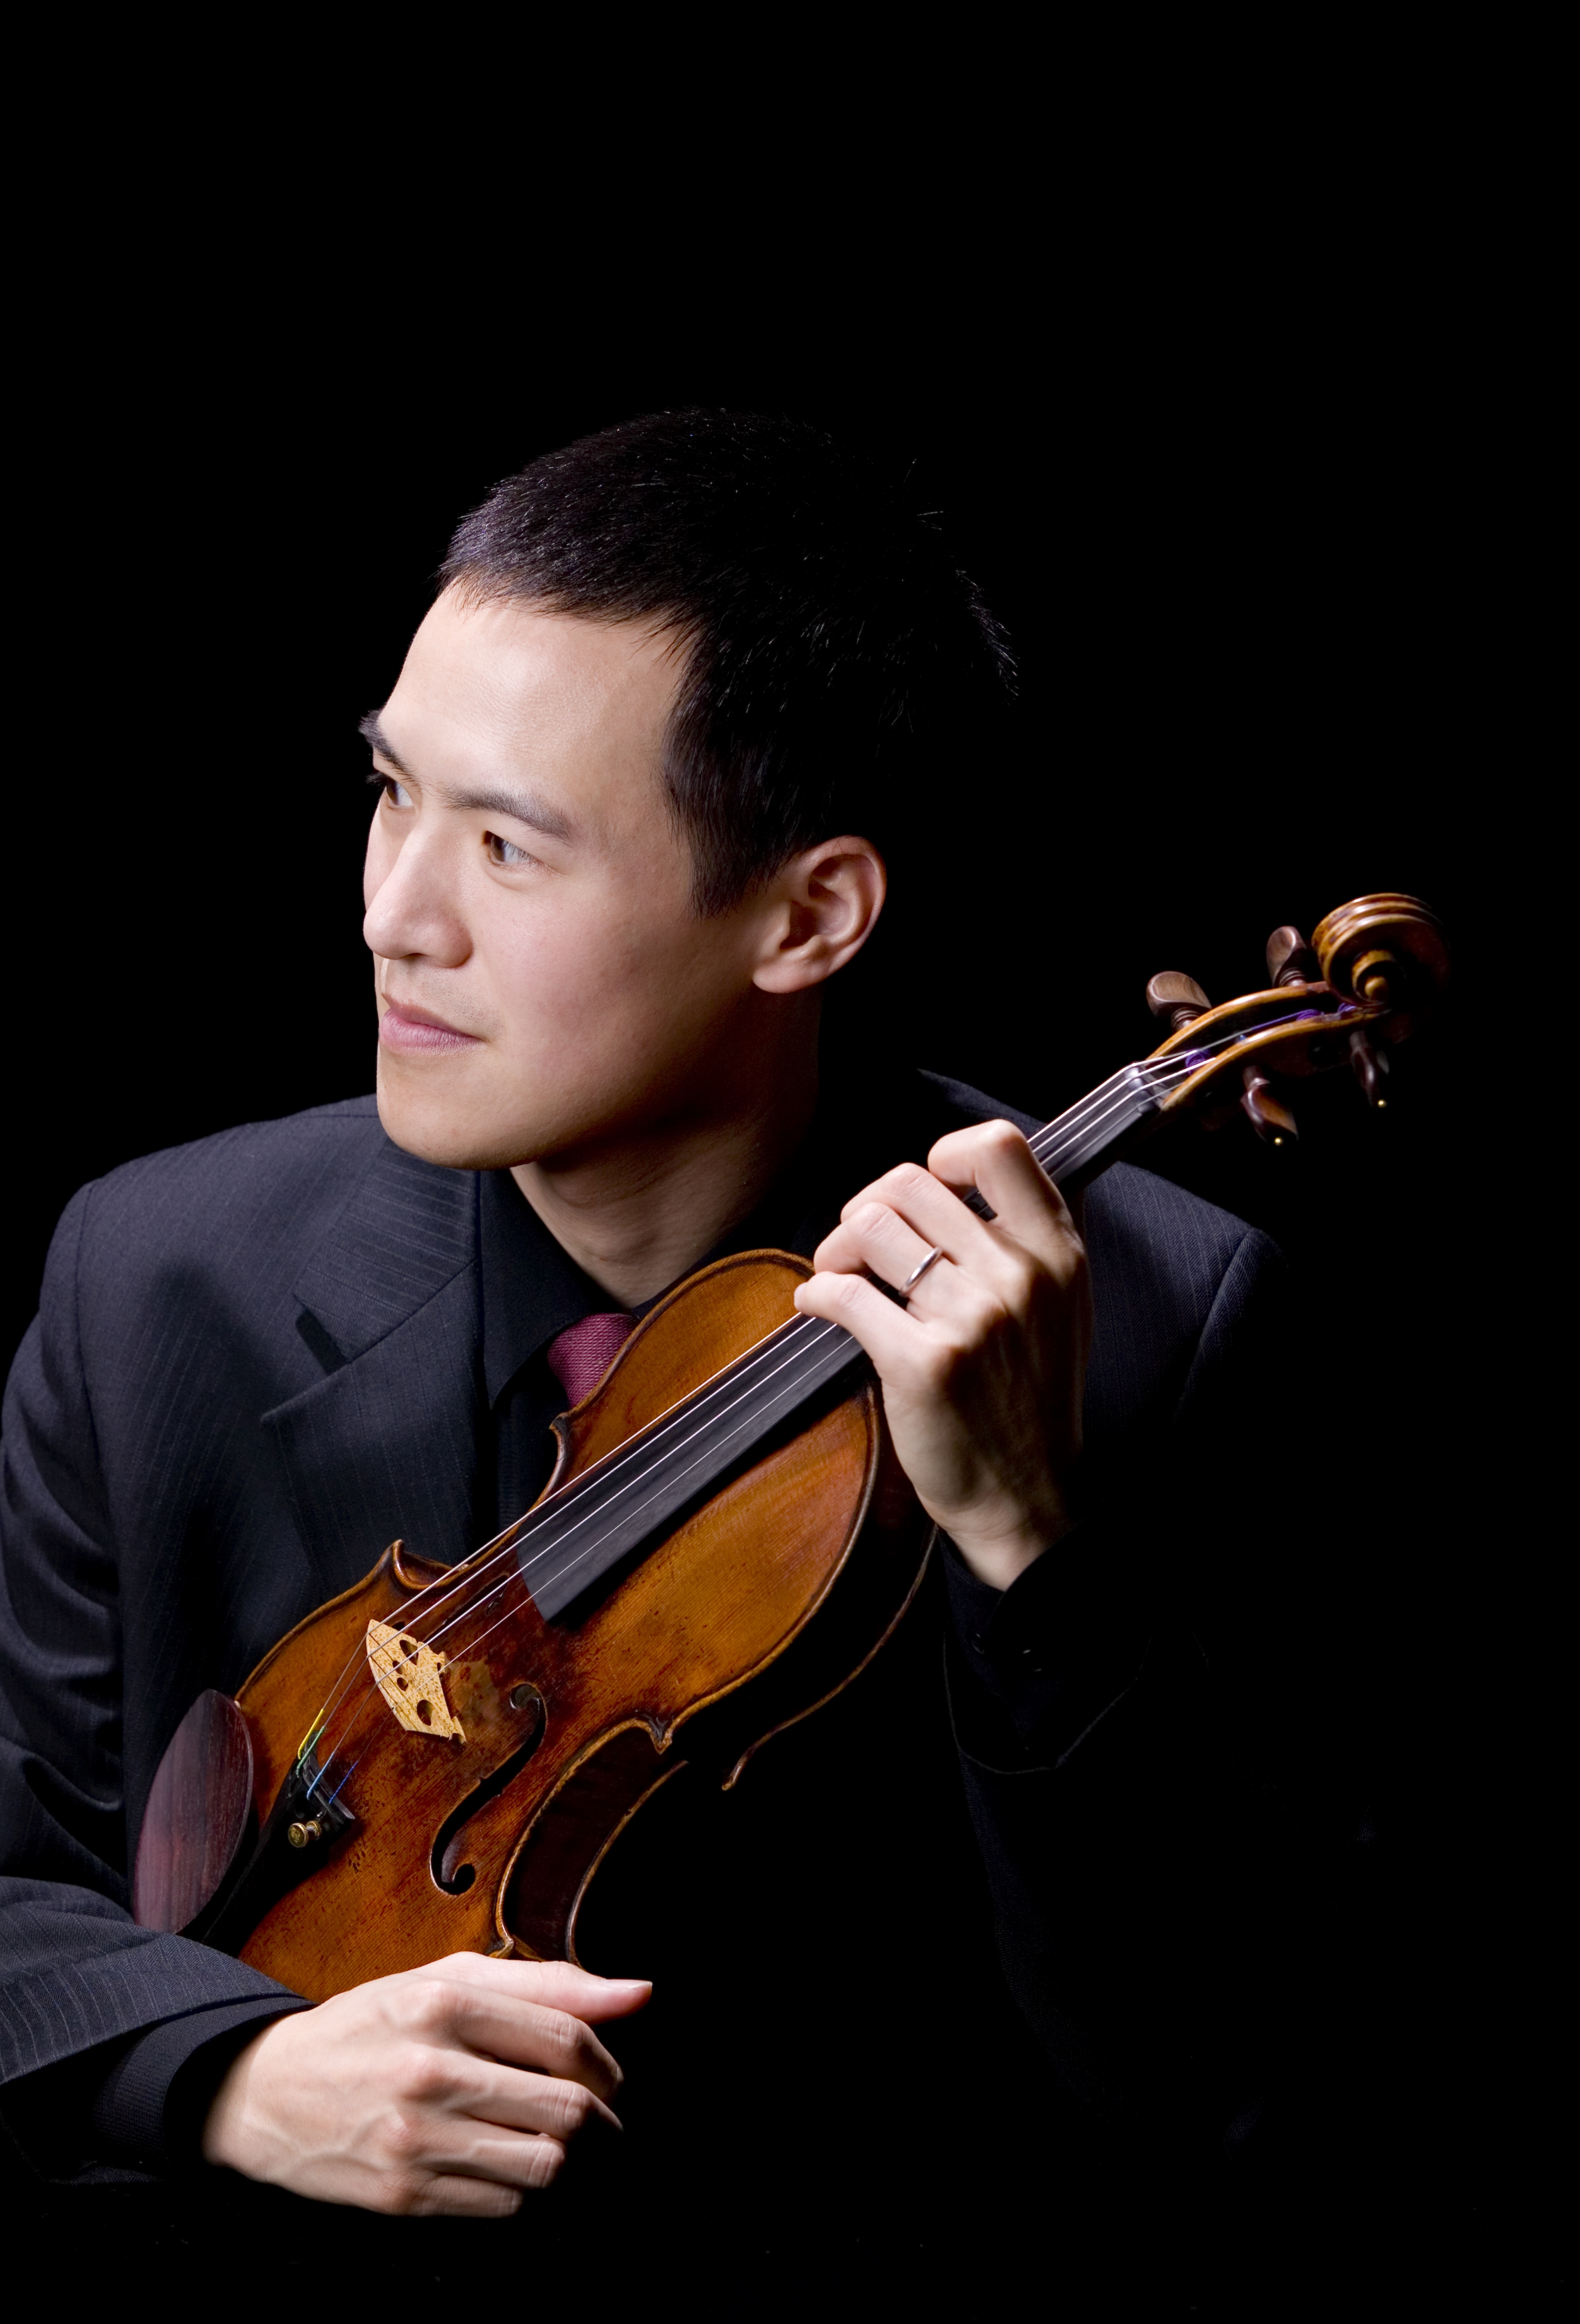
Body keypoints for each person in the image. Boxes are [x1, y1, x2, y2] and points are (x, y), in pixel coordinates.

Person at [0, 412, 1304, 2242]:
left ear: (807, 916)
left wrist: (1028, 1548)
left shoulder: (1171, 1320)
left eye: (509, 851)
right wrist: (227, 2069)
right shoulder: (153, 1278)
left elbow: (1229, 2079)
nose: (392, 917)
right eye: (391, 795)